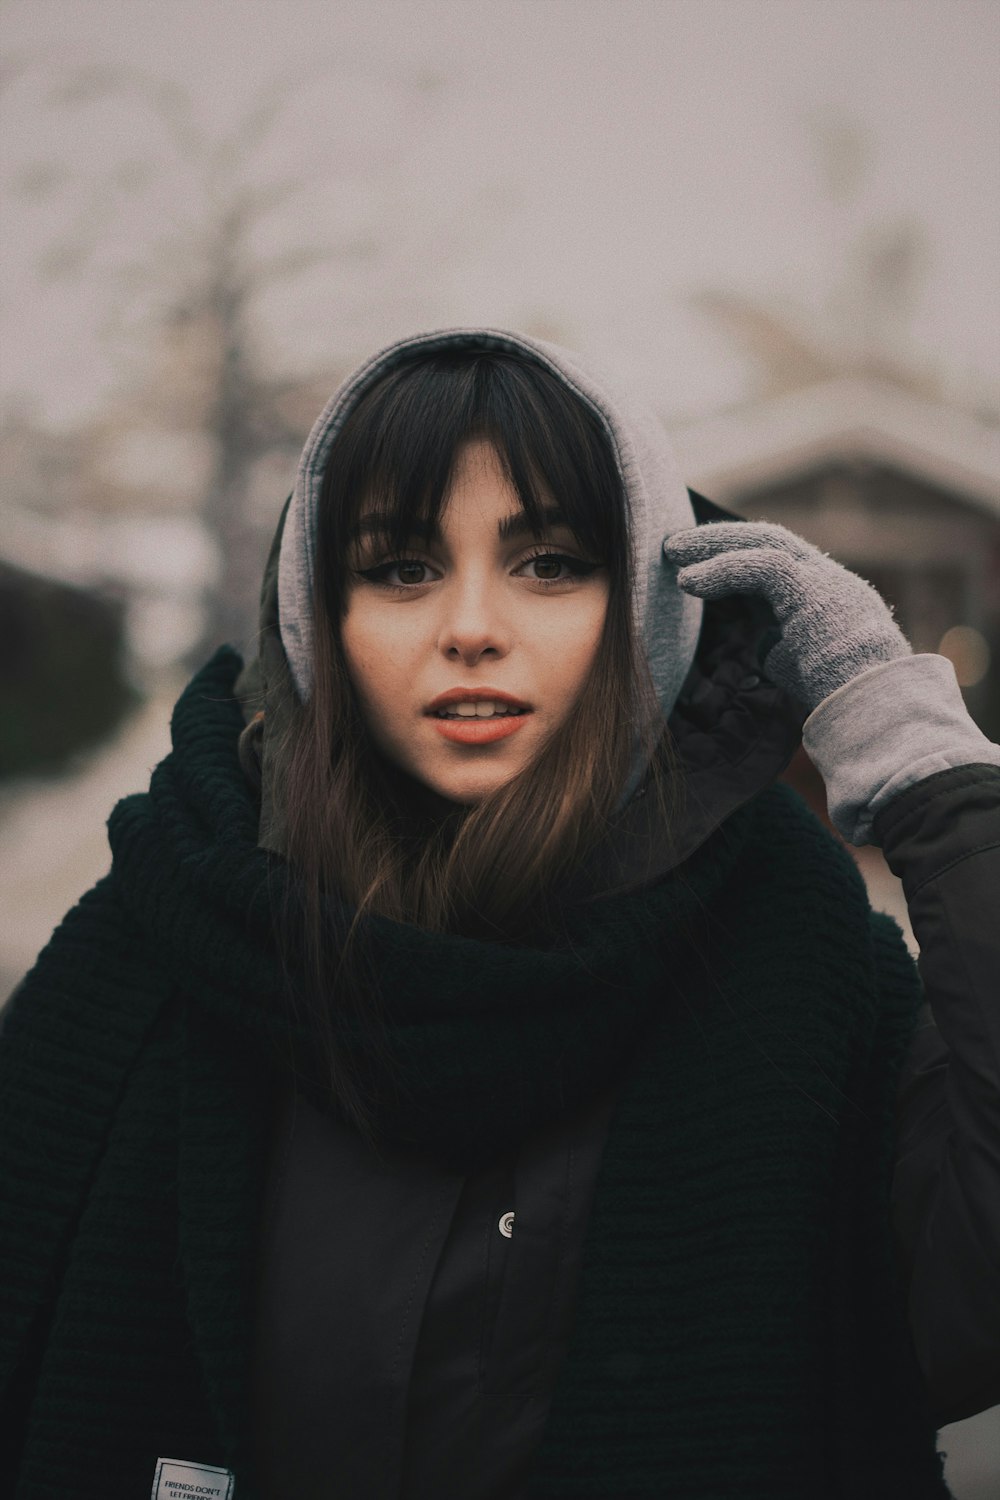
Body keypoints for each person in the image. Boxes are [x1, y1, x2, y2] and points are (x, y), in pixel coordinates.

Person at [1, 328, 998, 1500]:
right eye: (400, 567)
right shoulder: (162, 930)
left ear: (646, 611)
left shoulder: (790, 949)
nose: (471, 625)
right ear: (317, 616)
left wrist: (912, 746)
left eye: (550, 563)